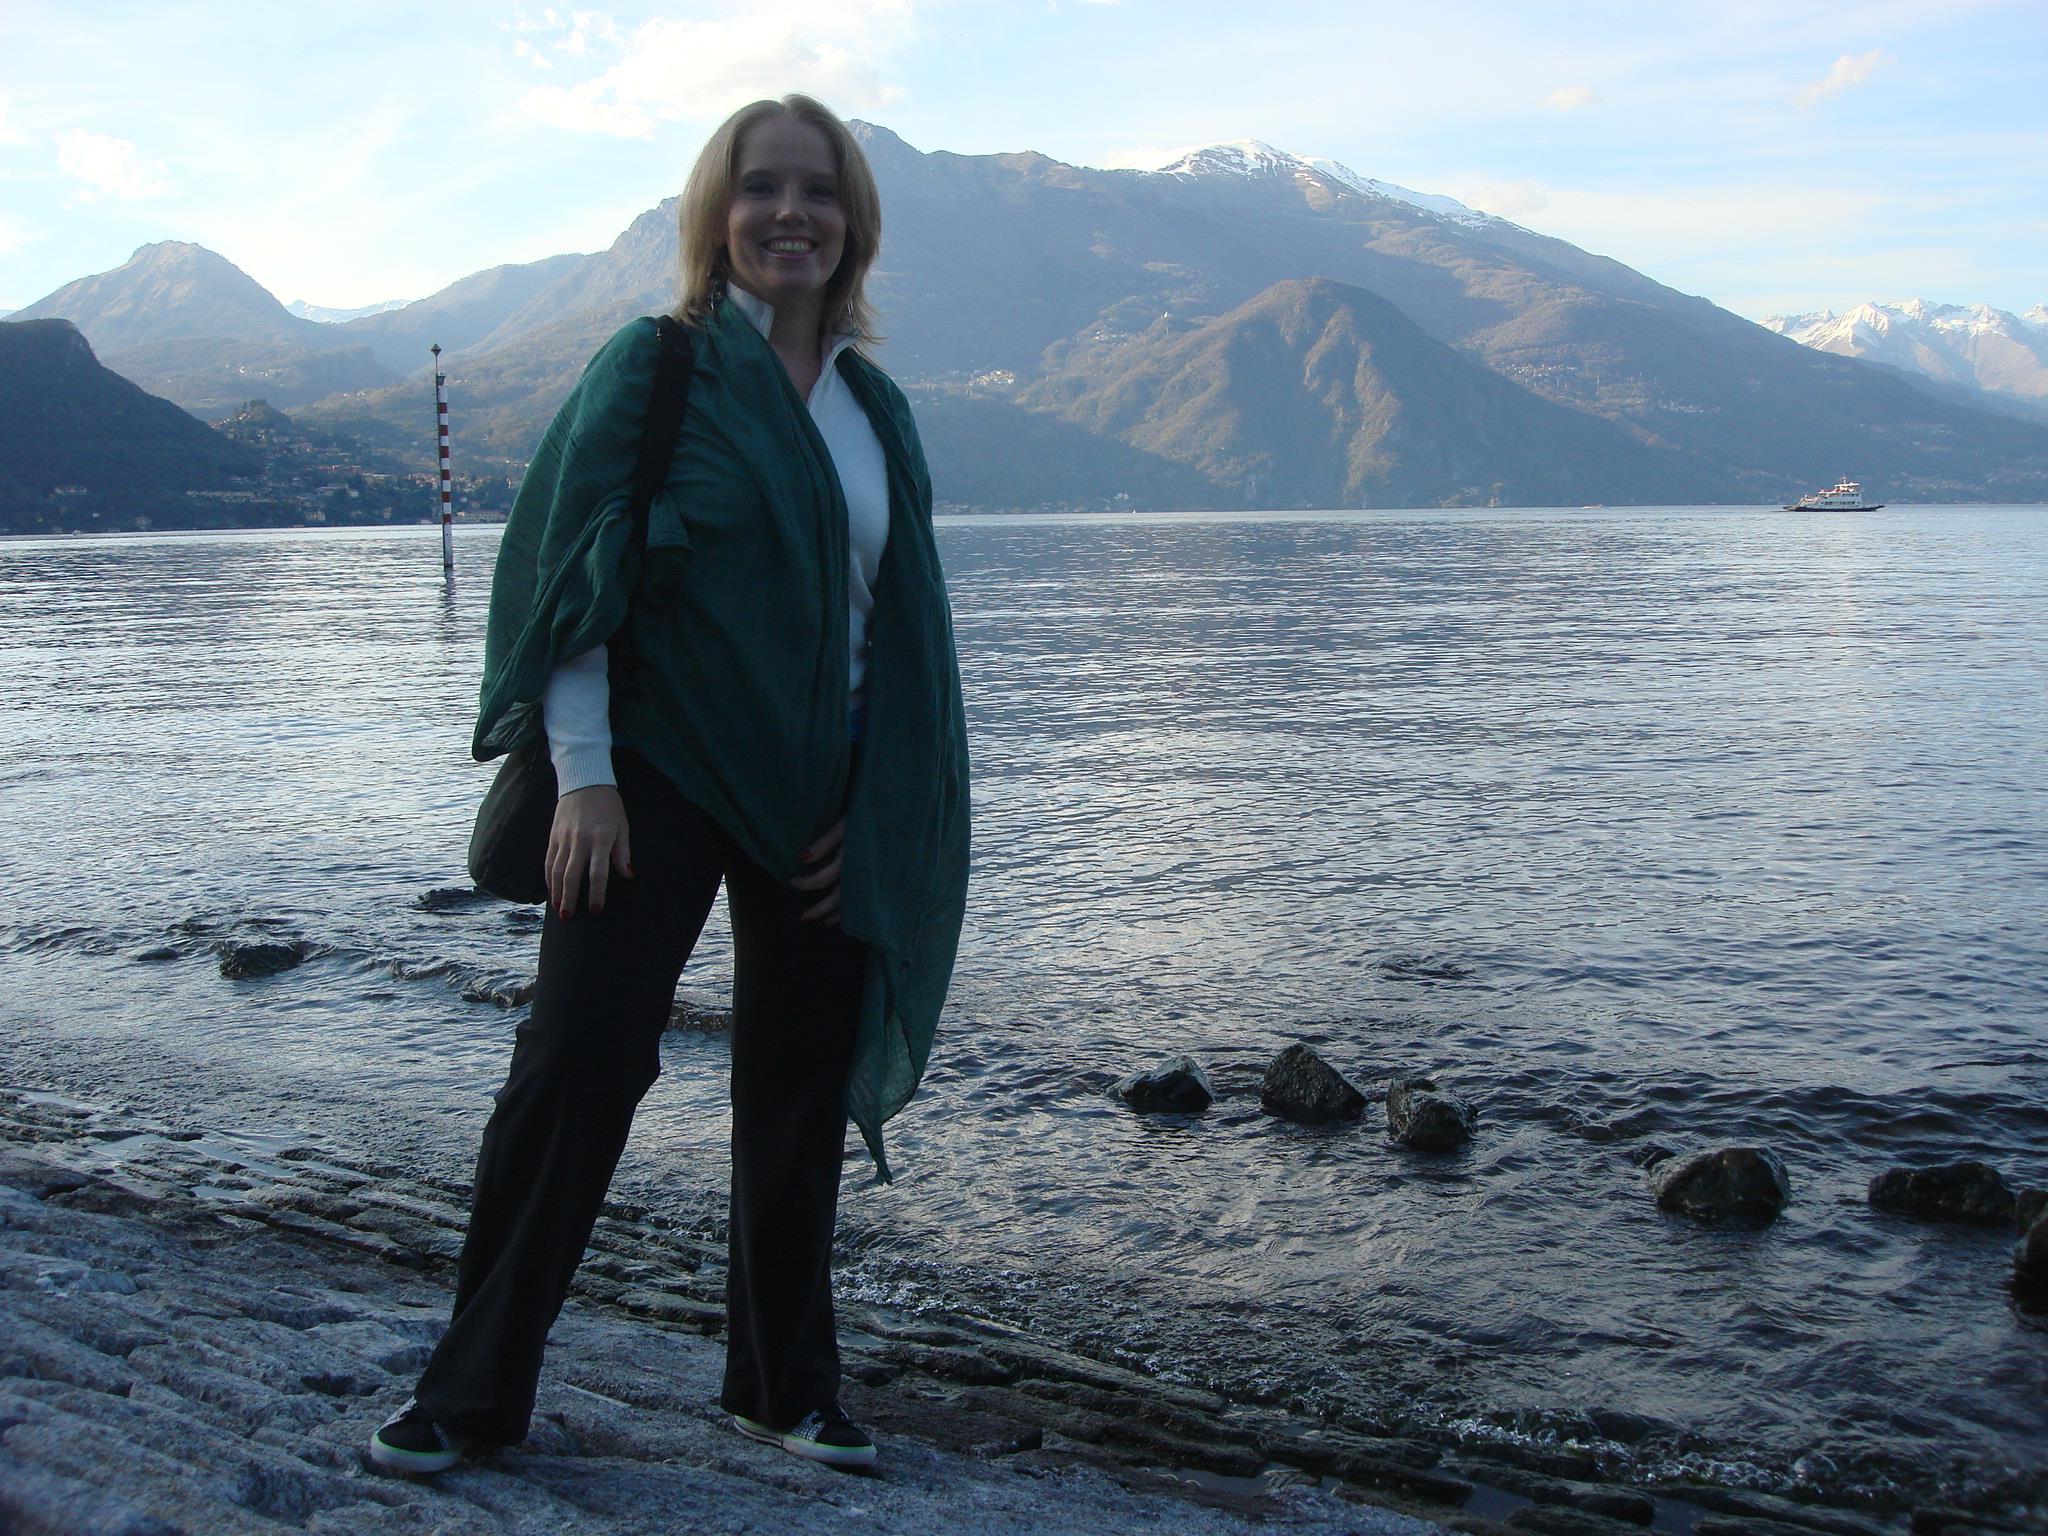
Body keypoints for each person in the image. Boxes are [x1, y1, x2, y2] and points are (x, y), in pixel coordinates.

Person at [368, 93, 970, 1477]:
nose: (790, 213)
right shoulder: (660, 367)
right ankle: (470, 1390)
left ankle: (780, 1384)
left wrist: (878, 815)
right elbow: (574, 577)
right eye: (761, 187)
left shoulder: (875, 410)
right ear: (717, 213)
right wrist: (584, 780)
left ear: (854, 221)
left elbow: (898, 632)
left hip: (823, 798)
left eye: (818, 190)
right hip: (651, 773)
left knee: (795, 1090)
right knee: (577, 1064)